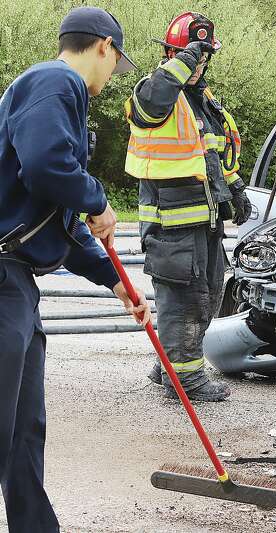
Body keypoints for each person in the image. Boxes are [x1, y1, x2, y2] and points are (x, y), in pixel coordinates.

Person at [0, 7, 151, 531]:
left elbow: (58, 220)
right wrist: (96, 196)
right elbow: (45, 166)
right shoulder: (55, 81)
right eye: (117, 62)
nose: (113, 77)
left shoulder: (62, 98)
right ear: (104, 46)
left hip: (17, 282)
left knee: (23, 431)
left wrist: (116, 281)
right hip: (1, 280)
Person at [125, 11, 252, 402]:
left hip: (205, 221)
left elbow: (213, 157)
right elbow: (148, 106)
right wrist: (183, 61)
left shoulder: (205, 103)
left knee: (211, 294)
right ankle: (186, 381)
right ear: (171, 53)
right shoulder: (155, 91)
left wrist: (237, 190)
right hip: (171, 225)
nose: (197, 64)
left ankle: (169, 365)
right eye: (189, 55)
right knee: (184, 300)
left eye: (201, 57)